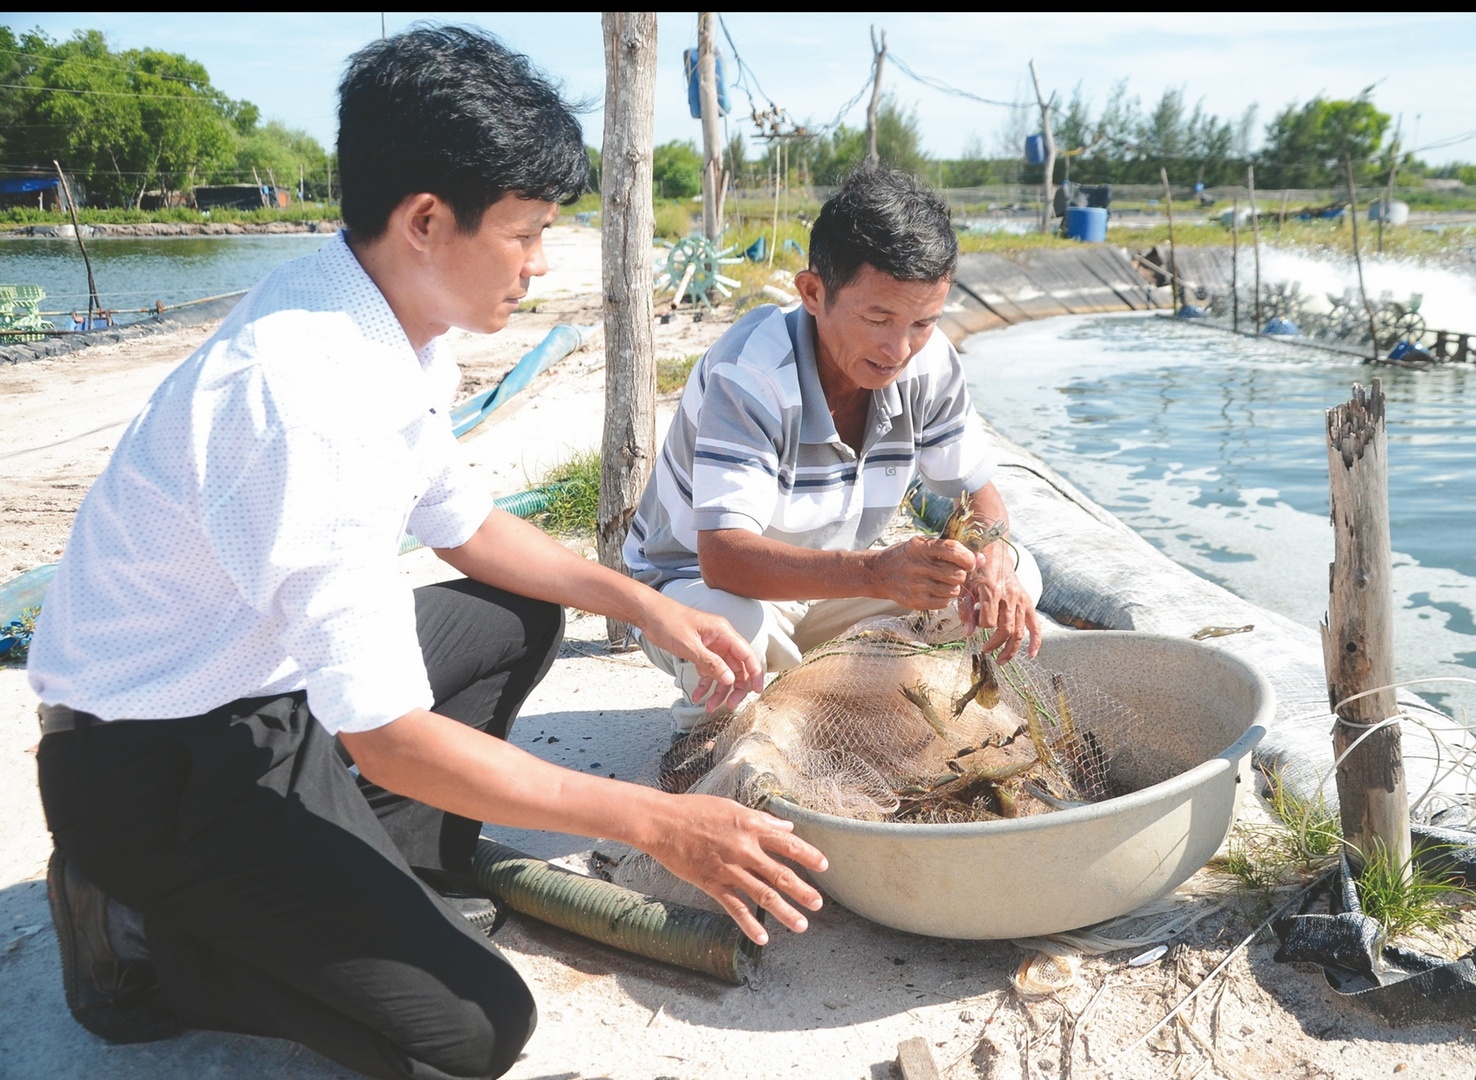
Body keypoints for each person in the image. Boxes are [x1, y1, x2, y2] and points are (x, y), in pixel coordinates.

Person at [27, 26, 824, 1080]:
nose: (540, 265)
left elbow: (463, 522)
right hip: (154, 764)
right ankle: (135, 940)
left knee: (516, 614)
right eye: (527, 233)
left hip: (270, 694)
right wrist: (658, 821)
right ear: (425, 221)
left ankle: (380, 864)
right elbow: (393, 741)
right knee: (472, 1029)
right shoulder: (303, 400)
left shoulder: (393, 312)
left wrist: (639, 603)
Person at [624, 164, 1044, 736]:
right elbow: (724, 557)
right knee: (734, 624)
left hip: (832, 583)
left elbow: (979, 496)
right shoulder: (751, 373)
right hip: (697, 586)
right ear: (813, 293)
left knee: (1019, 576)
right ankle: (709, 738)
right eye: (878, 318)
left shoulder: (930, 360)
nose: (899, 348)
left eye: (923, 321)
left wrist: (991, 556)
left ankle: (841, 691)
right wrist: (875, 573)